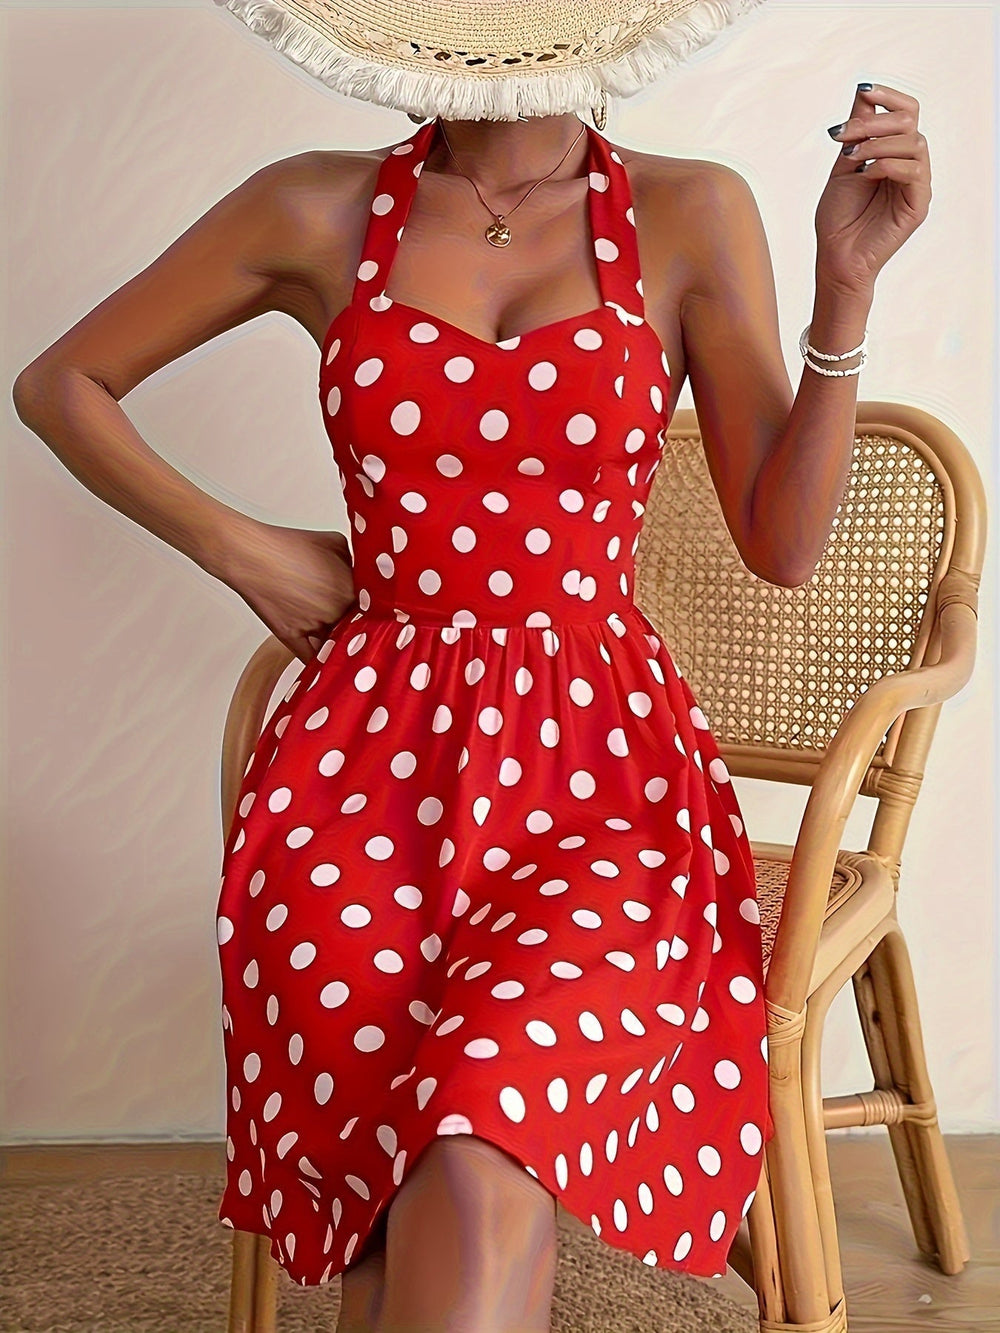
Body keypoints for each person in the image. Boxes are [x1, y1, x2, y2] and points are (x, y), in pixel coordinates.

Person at [12, 47, 930, 1333]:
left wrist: (844, 292)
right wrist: (243, 550)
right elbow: (59, 383)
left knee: (474, 1140)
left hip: (602, 787)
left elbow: (780, 546)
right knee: (410, 1169)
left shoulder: (690, 209)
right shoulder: (311, 205)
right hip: (360, 785)